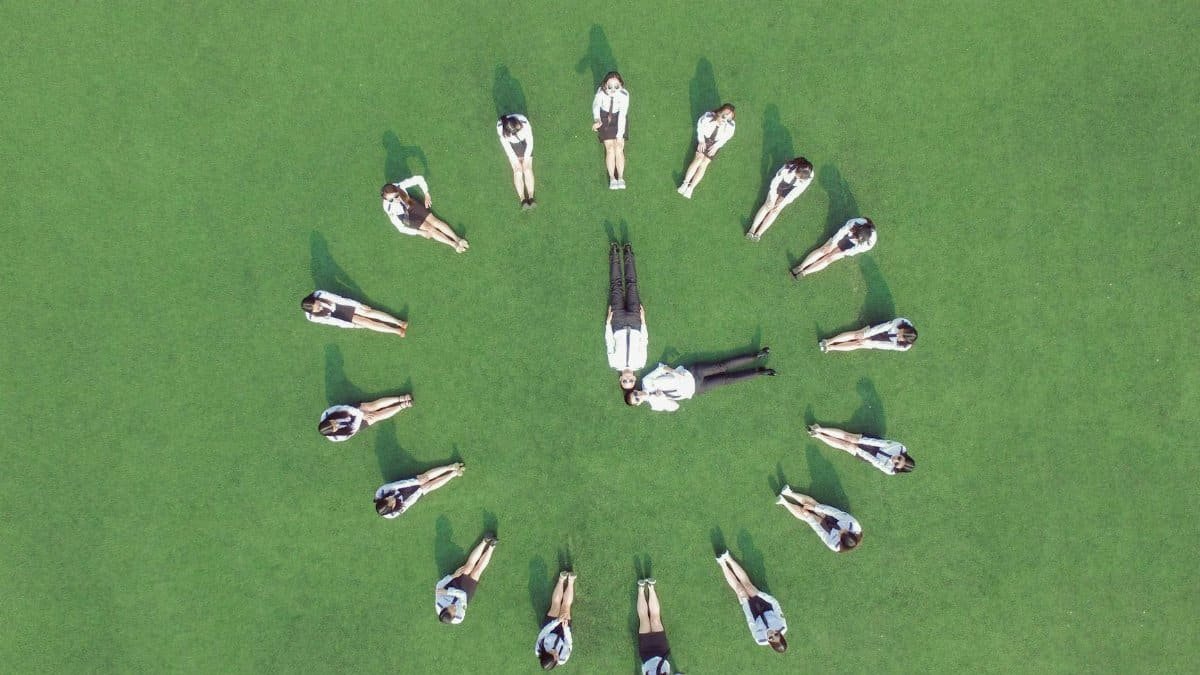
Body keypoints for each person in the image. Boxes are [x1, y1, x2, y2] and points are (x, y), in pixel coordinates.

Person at [626, 348, 773, 412]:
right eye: (637, 399)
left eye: (636, 394)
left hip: (692, 373)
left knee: (722, 366)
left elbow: (661, 368)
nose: (639, 396)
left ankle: (756, 356)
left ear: (636, 390)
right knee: (727, 380)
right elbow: (674, 407)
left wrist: (675, 373)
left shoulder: (646, 382)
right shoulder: (655, 404)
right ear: (639, 403)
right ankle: (759, 372)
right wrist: (662, 398)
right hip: (697, 388)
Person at [715, 551, 788, 653]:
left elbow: (751, 621)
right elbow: (775, 604)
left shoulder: (760, 639)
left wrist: (745, 602)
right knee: (748, 586)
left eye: (771, 638)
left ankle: (722, 563)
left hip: (755, 615)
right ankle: (728, 558)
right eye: (776, 634)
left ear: (770, 643)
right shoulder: (782, 626)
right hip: (767, 607)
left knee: (740, 590)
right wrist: (759, 594)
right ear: (781, 635)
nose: (772, 634)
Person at [380, 177, 469, 252]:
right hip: (404, 216)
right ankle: (454, 245)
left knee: (434, 221)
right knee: (429, 229)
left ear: (397, 191)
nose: (395, 200)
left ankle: (458, 239)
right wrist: (420, 232)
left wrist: (426, 194)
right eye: (391, 200)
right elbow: (400, 228)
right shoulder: (388, 208)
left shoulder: (400, 186)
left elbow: (419, 178)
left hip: (410, 204)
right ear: (386, 199)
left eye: (396, 196)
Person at [605, 242, 648, 391]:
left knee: (616, 286)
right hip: (636, 322)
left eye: (625, 381)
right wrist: (643, 321)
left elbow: (609, 343)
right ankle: (628, 253)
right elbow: (644, 342)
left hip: (617, 322)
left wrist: (607, 324)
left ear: (621, 379)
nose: (628, 378)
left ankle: (615, 253)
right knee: (632, 284)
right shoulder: (640, 363)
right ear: (635, 378)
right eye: (631, 380)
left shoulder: (614, 363)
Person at [435, 534, 498, 625]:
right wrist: (447, 592)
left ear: (444, 608)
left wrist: (453, 575)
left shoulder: (439, 604)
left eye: (449, 607)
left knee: (468, 567)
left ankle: (485, 541)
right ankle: (492, 546)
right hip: (462, 596)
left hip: (452, 585)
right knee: (476, 573)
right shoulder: (460, 617)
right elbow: (463, 595)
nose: (453, 607)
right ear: (454, 617)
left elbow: (439, 586)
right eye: (454, 610)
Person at [777, 486, 863, 552]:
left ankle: (784, 502)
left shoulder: (834, 545)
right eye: (845, 531)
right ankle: (788, 492)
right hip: (837, 518)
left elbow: (821, 532)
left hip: (829, 532)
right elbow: (834, 512)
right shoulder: (853, 524)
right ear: (851, 532)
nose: (842, 531)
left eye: (841, 534)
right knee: (813, 503)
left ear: (840, 540)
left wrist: (809, 517)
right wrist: (815, 508)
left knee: (808, 516)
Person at [746, 158, 814, 241]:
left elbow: (797, 192)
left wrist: (783, 202)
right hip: (781, 184)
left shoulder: (809, 176)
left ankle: (759, 233)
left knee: (776, 210)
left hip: (791, 189)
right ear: (796, 170)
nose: (800, 180)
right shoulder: (787, 168)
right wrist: (772, 197)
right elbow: (775, 182)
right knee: (768, 205)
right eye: (799, 178)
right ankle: (752, 229)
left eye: (801, 180)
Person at [677, 104, 736, 199]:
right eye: (723, 117)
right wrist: (701, 141)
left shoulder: (730, 126)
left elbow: (725, 138)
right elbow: (700, 128)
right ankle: (685, 183)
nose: (724, 121)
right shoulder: (707, 117)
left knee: (704, 164)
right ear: (718, 112)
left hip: (715, 144)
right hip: (704, 139)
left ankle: (691, 188)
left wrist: (716, 147)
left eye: (728, 119)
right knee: (698, 159)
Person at [808, 424, 915, 475]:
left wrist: (859, 450)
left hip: (871, 456)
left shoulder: (890, 470)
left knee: (847, 446)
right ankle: (820, 428)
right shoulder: (900, 447)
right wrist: (858, 440)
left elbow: (874, 461)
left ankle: (818, 435)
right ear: (903, 455)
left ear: (897, 468)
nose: (895, 460)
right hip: (876, 444)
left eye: (896, 464)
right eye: (899, 458)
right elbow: (878, 442)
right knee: (848, 437)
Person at [791, 217, 876, 278]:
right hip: (845, 235)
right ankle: (800, 267)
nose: (854, 237)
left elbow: (853, 251)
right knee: (825, 249)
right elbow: (842, 232)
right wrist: (832, 244)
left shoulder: (868, 244)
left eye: (856, 238)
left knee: (829, 258)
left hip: (852, 246)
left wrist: (840, 253)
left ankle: (805, 272)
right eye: (855, 235)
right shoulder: (856, 222)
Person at [373, 463, 465, 518]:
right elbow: (408, 503)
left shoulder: (382, 491)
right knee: (428, 487)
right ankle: (453, 474)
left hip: (400, 487)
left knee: (424, 478)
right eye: (390, 500)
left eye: (387, 498)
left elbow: (400, 484)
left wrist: (417, 481)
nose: (389, 497)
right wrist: (419, 490)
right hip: (405, 497)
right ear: (392, 507)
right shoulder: (394, 513)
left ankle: (451, 467)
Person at [301, 290, 407, 337]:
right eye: (317, 308)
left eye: (318, 304)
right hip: (335, 315)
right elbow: (334, 321)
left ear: (315, 299)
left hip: (338, 305)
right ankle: (396, 331)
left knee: (368, 312)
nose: (320, 306)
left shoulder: (319, 294)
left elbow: (340, 300)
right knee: (367, 323)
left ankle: (399, 322)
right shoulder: (313, 317)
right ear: (312, 312)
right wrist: (353, 325)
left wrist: (359, 306)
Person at [317, 395, 413, 442]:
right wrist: (363, 417)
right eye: (335, 428)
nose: (336, 424)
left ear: (328, 419)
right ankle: (402, 406)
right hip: (354, 424)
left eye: (333, 422)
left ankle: (400, 398)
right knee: (375, 417)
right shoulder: (336, 437)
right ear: (334, 432)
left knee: (372, 406)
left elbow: (347, 409)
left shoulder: (327, 413)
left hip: (349, 411)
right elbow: (353, 429)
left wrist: (362, 413)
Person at [591, 71, 629, 189]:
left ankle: (621, 178)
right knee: (610, 148)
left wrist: (619, 135)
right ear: (605, 85)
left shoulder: (624, 95)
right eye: (610, 86)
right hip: (604, 117)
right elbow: (596, 106)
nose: (613, 89)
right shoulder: (601, 92)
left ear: (621, 85)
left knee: (619, 147)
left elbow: (622, 115)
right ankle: (612, 178)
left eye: (616, 86)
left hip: (618, 118)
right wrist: (597, 120)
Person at [534, 571, 577, 669]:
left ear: (546, 652)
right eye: (556, 656)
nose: (556, 653)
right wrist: (566, 628)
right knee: (566, 607)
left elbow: (544, 632)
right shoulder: (563, 658)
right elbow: (569, 643)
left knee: (556, 605)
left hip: (550, 631)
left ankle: (561, 579)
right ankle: (570, 581)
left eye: (553, 653)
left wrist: (557, 621)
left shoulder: (539, 648)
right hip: (563, 634)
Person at [636, 578, 677, 675]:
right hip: (661, 653)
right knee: (656, 620)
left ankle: (641, 590)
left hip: (647, 655)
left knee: (644, 620)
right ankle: (651, 588)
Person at [497, 114, 536, 209]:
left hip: (524, 143)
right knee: (518, 170)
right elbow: (508, 148)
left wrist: (526, 158)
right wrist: (516, 161)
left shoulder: (524, 122)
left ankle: (531, 197)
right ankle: (523, 200)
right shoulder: (500, 128)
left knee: (527, 169)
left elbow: (530, 142)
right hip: (513, 146)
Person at [819, 318, 917, 352]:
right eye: (900, 334)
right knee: (857, 335)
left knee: (857, 344)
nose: (899, 337)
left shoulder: (904, 347)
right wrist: (865, 334)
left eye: (901, 339)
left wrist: (868, 342)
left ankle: (831, 348)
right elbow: (881, 328)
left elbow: (885, 346)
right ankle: (828, 341)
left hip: (884, 340)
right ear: (903, 329)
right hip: (881, 328)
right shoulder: (900, 321)